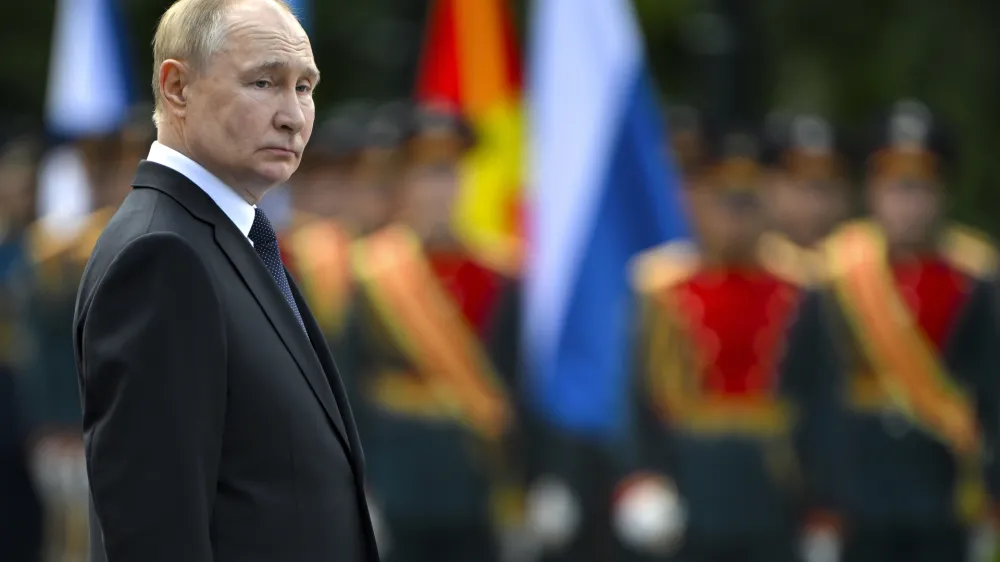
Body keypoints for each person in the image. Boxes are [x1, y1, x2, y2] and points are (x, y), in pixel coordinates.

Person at [72, 1, 376, 561]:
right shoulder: (162, 257)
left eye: (305, 87)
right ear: (177, 87)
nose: (293, 115)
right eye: (264, 82)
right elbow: (152, 532)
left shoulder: (232, 238)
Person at [613, 128, 840, 562]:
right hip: (689, 485)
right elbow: (638, 398)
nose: (736, 217)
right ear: (696, 202)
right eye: (723, 201)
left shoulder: (799, 287)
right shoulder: (662, 286)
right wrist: (641, 478)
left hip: (773, 488)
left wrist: (824, 506)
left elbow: (820, 403)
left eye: (748, 202)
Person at [802, 99, 1000, 562]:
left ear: (942, 194)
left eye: (920, 189)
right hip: (859, 487)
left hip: (943, 487)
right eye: (895, 189)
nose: (907, 205)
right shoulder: (837, 273)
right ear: (872, 192)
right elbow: (813, 394)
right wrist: (820, 497)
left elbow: (992, 390)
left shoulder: (974, 276)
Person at [345, 103, 512, 562]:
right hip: (399, 471)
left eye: (449, 174)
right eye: (426, 175)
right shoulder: (370, 269)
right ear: (402, 185)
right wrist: (359, 485)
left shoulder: (499, 272)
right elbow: (347, 386)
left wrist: (532, 476)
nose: (440, 190)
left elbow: (514, 379)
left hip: (476, 473)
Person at [759, 111, 851, 285]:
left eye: (825, 187)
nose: (815, 202)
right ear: (770, 186)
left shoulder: (863, 267)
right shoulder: (748, 263)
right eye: (802, 185)